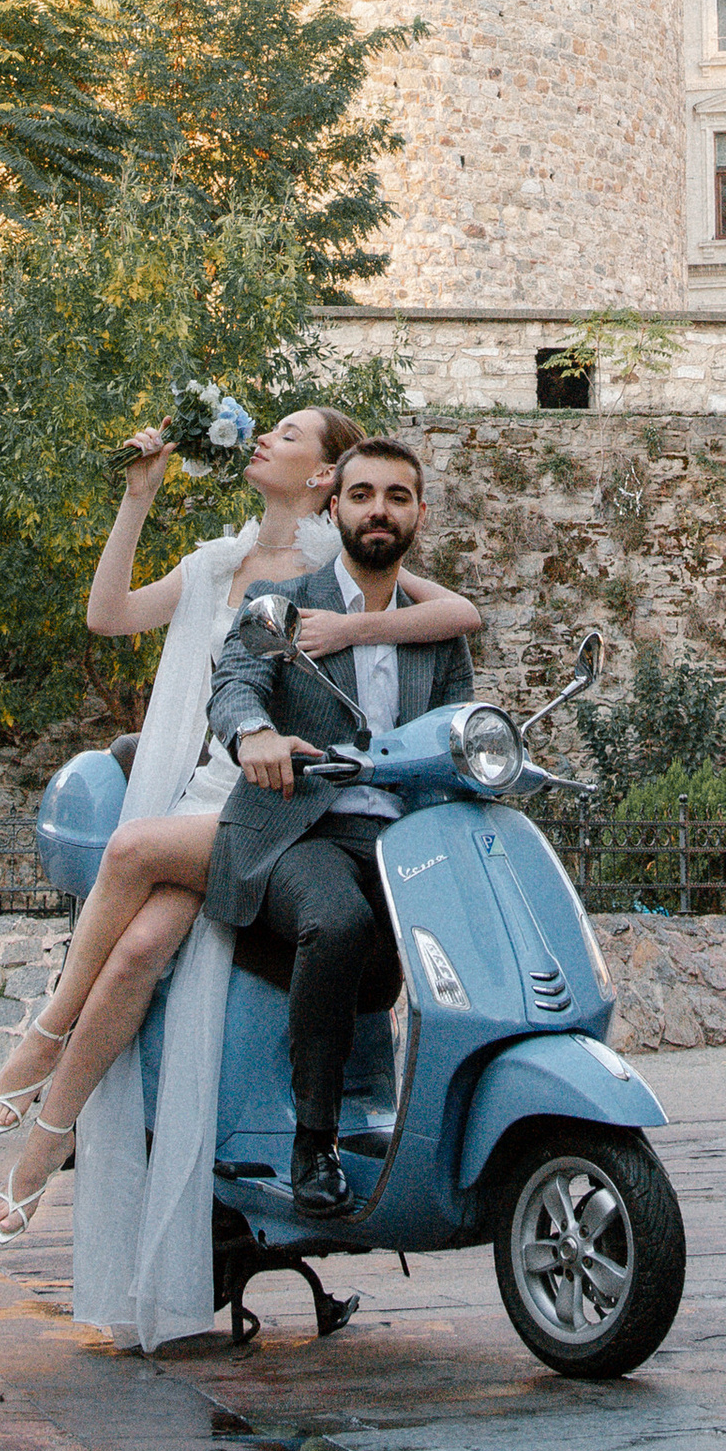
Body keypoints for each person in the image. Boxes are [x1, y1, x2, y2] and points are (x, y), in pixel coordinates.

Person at [0, 406, 480, 1304]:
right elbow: (112, 617)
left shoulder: (343, 561)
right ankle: (41, 1140)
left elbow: (450, 614)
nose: (263, 440)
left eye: (287, 435)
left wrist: (358, 631)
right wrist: (138, 500)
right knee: (130, 948)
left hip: (278, 805)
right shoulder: (221, 563)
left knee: (133, 880)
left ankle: (37, 1088)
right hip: (225, 784)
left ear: (326, 478)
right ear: (339, 488)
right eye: (367, 490)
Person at [202, 435, 476, 1219]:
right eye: (362, 495)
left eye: (396, 496)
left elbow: (456, 731)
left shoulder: (436, 631)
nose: (378, 510)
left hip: (404, 839)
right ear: (335, 506)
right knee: (338, 919)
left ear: (419, 513)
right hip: (301, 831)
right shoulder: (288, 600)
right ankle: (313, 1141)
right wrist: (254, 733)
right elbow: (237, 679)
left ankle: (441, 1122)